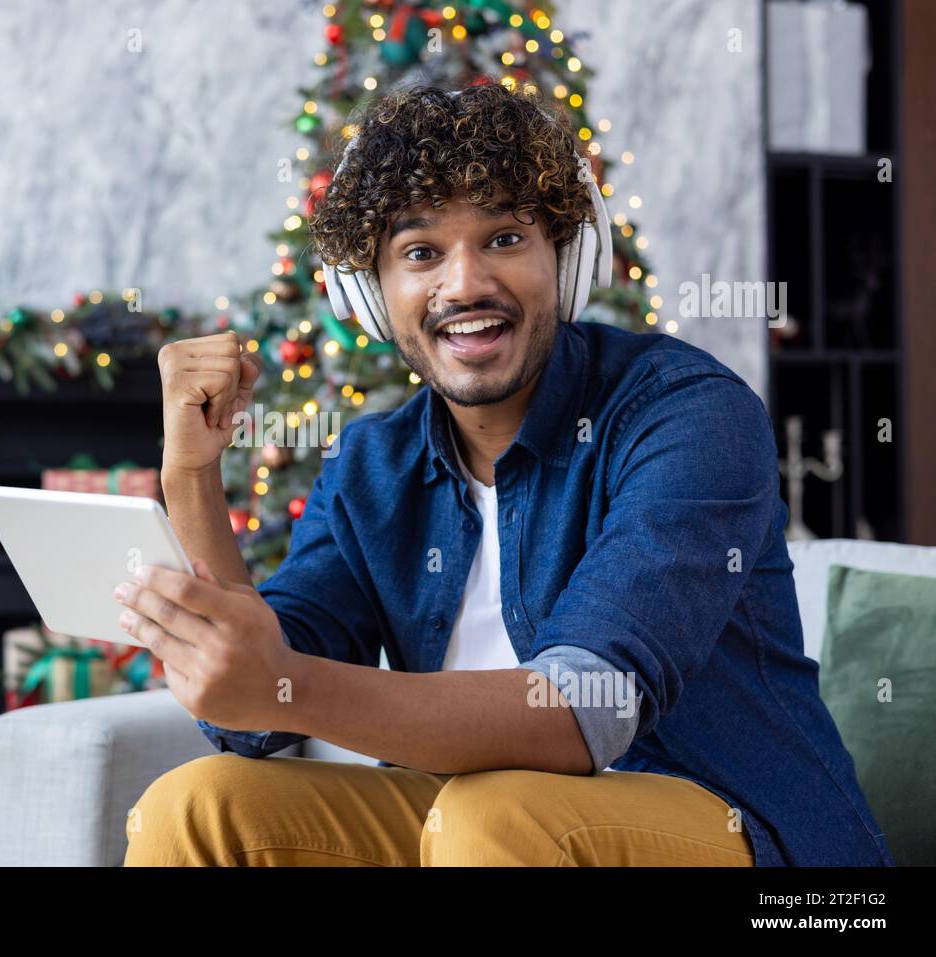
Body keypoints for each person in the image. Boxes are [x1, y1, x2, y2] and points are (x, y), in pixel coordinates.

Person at [114, 84, 893, 867]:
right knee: (197, 807)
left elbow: (588, 709)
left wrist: (288, 680)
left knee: (493, 814)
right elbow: (252, 712)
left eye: (505, 238)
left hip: (760, 853)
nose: (464, 285)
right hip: (479, 829)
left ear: (567, 256)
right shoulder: (371, 466)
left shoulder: (688, 414)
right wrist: (190, 473)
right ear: (371, 295)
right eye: (421, 253)